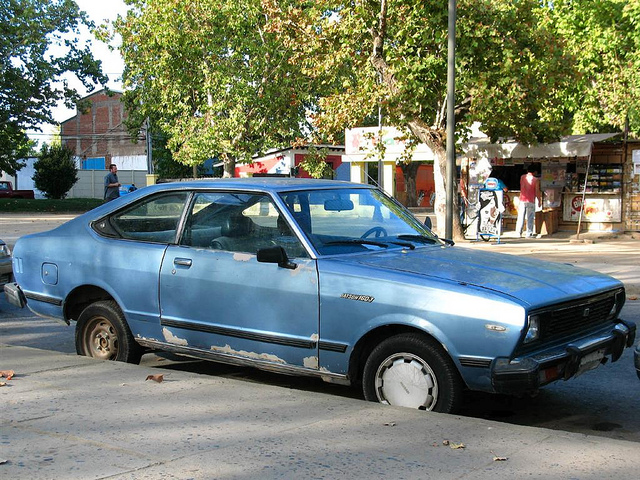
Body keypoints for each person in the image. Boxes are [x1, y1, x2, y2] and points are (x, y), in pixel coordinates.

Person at [515, 165, 542, 238]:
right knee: (530, 217)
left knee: (520, 217)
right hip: (531, 200)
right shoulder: (536, 180)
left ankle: (518, 233)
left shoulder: (522, 177)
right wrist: (539, 200)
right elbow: (537, 191)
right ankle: (529, 233)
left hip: (522, 200)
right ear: (535, 172)